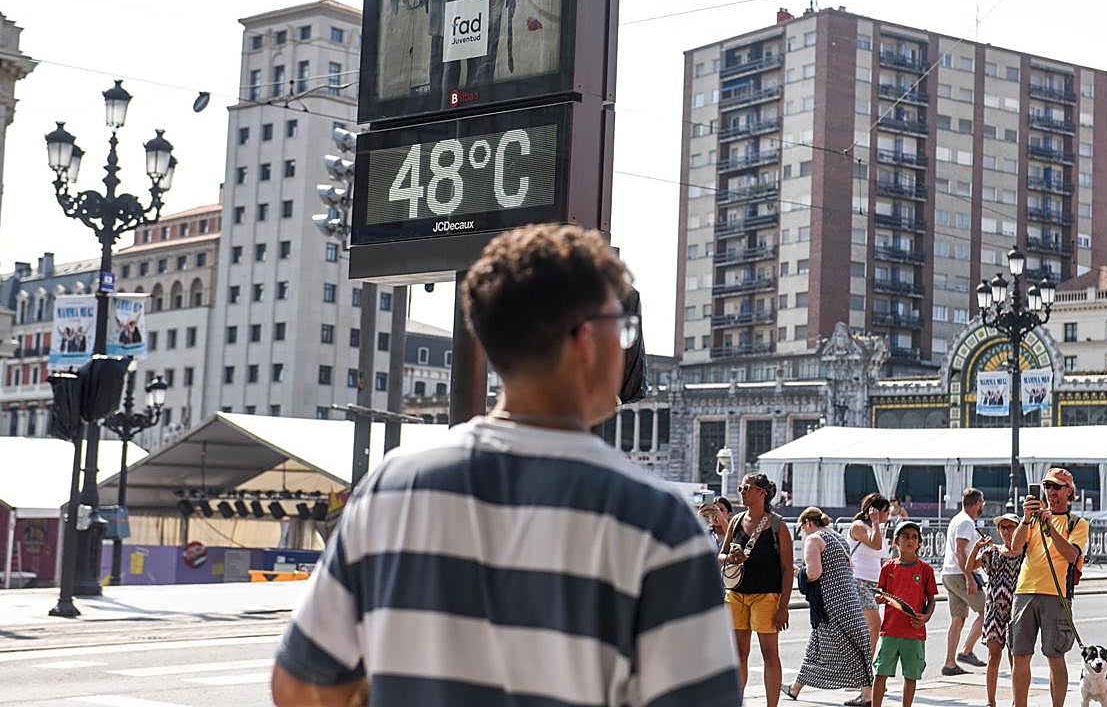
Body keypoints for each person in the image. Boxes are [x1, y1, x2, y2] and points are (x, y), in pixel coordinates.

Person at [271, 225, 741, 707]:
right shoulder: (655, 522)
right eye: (622, 328)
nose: (626, 347)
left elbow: (299, 686)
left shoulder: (392, 490)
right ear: (585, 339)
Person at [1009, 467, 1090, 707]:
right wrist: (1026, 519)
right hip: (1025, 590)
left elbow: (1071, 555)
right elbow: (1015, 547)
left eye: (1056, 487)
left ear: (1069, 491)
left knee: (1055, 655)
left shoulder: (1077, 523)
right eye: (1047, 486)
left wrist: (1050, 526)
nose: (1050, 491)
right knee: (1019, 655)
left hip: (1056, 594)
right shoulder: (1032, 520)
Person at [718, 473, 794, 707]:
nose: (742, 492)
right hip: (736, 594)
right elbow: (721, 555)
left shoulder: (778, 526)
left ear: (762, 493)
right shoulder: (735, 521)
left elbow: (787, 569)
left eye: (746, 488)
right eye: (741, 488)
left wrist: (783, 607)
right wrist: (730, 557)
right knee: (739, 654)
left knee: (769, 653)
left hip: (766, 596)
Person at [785, 508, 873, 703]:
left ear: (808, 523)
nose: (804, 532)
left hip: (830, 601)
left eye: (802, 528)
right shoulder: (838, 538)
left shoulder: (814, 539)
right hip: (849, 597)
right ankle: (794, 688)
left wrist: (799, 573)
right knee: (819, 645)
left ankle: (867, 695)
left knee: (849, 645)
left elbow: (814, 573)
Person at [871, 520, 937, 707]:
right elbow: (881, 594)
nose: (910, 540)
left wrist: (926, 617)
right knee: (880, 673)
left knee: (911, 676)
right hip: (890, 631)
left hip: (914, 632)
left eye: (914, 537)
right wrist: (879, 598)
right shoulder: (888, 568)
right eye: (905, 536)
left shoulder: (926, 569)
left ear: (919, 543)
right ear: (896, 541)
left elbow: (931, 600)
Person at [966, 513, 1025, 707]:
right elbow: (969, 567)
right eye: (1003, 528)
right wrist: (977, 547)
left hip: (1017, 610)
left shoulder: (1025, 553)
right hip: (994, 610)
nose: (1007, 531)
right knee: (994, 655)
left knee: (1016, 657)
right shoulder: (992, 552)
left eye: (1011, 527)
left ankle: (1017, 700)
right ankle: (991, 701)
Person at [845, 493, 890, 707]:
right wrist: (875, 523)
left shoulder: (877, 528)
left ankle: (865, 676)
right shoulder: (859, 526)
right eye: (885, 511)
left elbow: (881, 557)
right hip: (859, 581)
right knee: (874, 627)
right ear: (875, 511)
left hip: (872, 583)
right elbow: (875, 545)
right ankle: (865, 676)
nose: (888, 515)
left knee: (869, 631)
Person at [941, 487, 987, 675]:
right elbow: (960, 551)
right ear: (977, 503)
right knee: (987, 611)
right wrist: (969, 577)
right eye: (982, 502)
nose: (982, 506)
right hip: (960, 574)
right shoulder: (966, 522)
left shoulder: (957, 519)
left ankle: (949, 663)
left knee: (957, 619)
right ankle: (966, 651)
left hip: (950, 573)